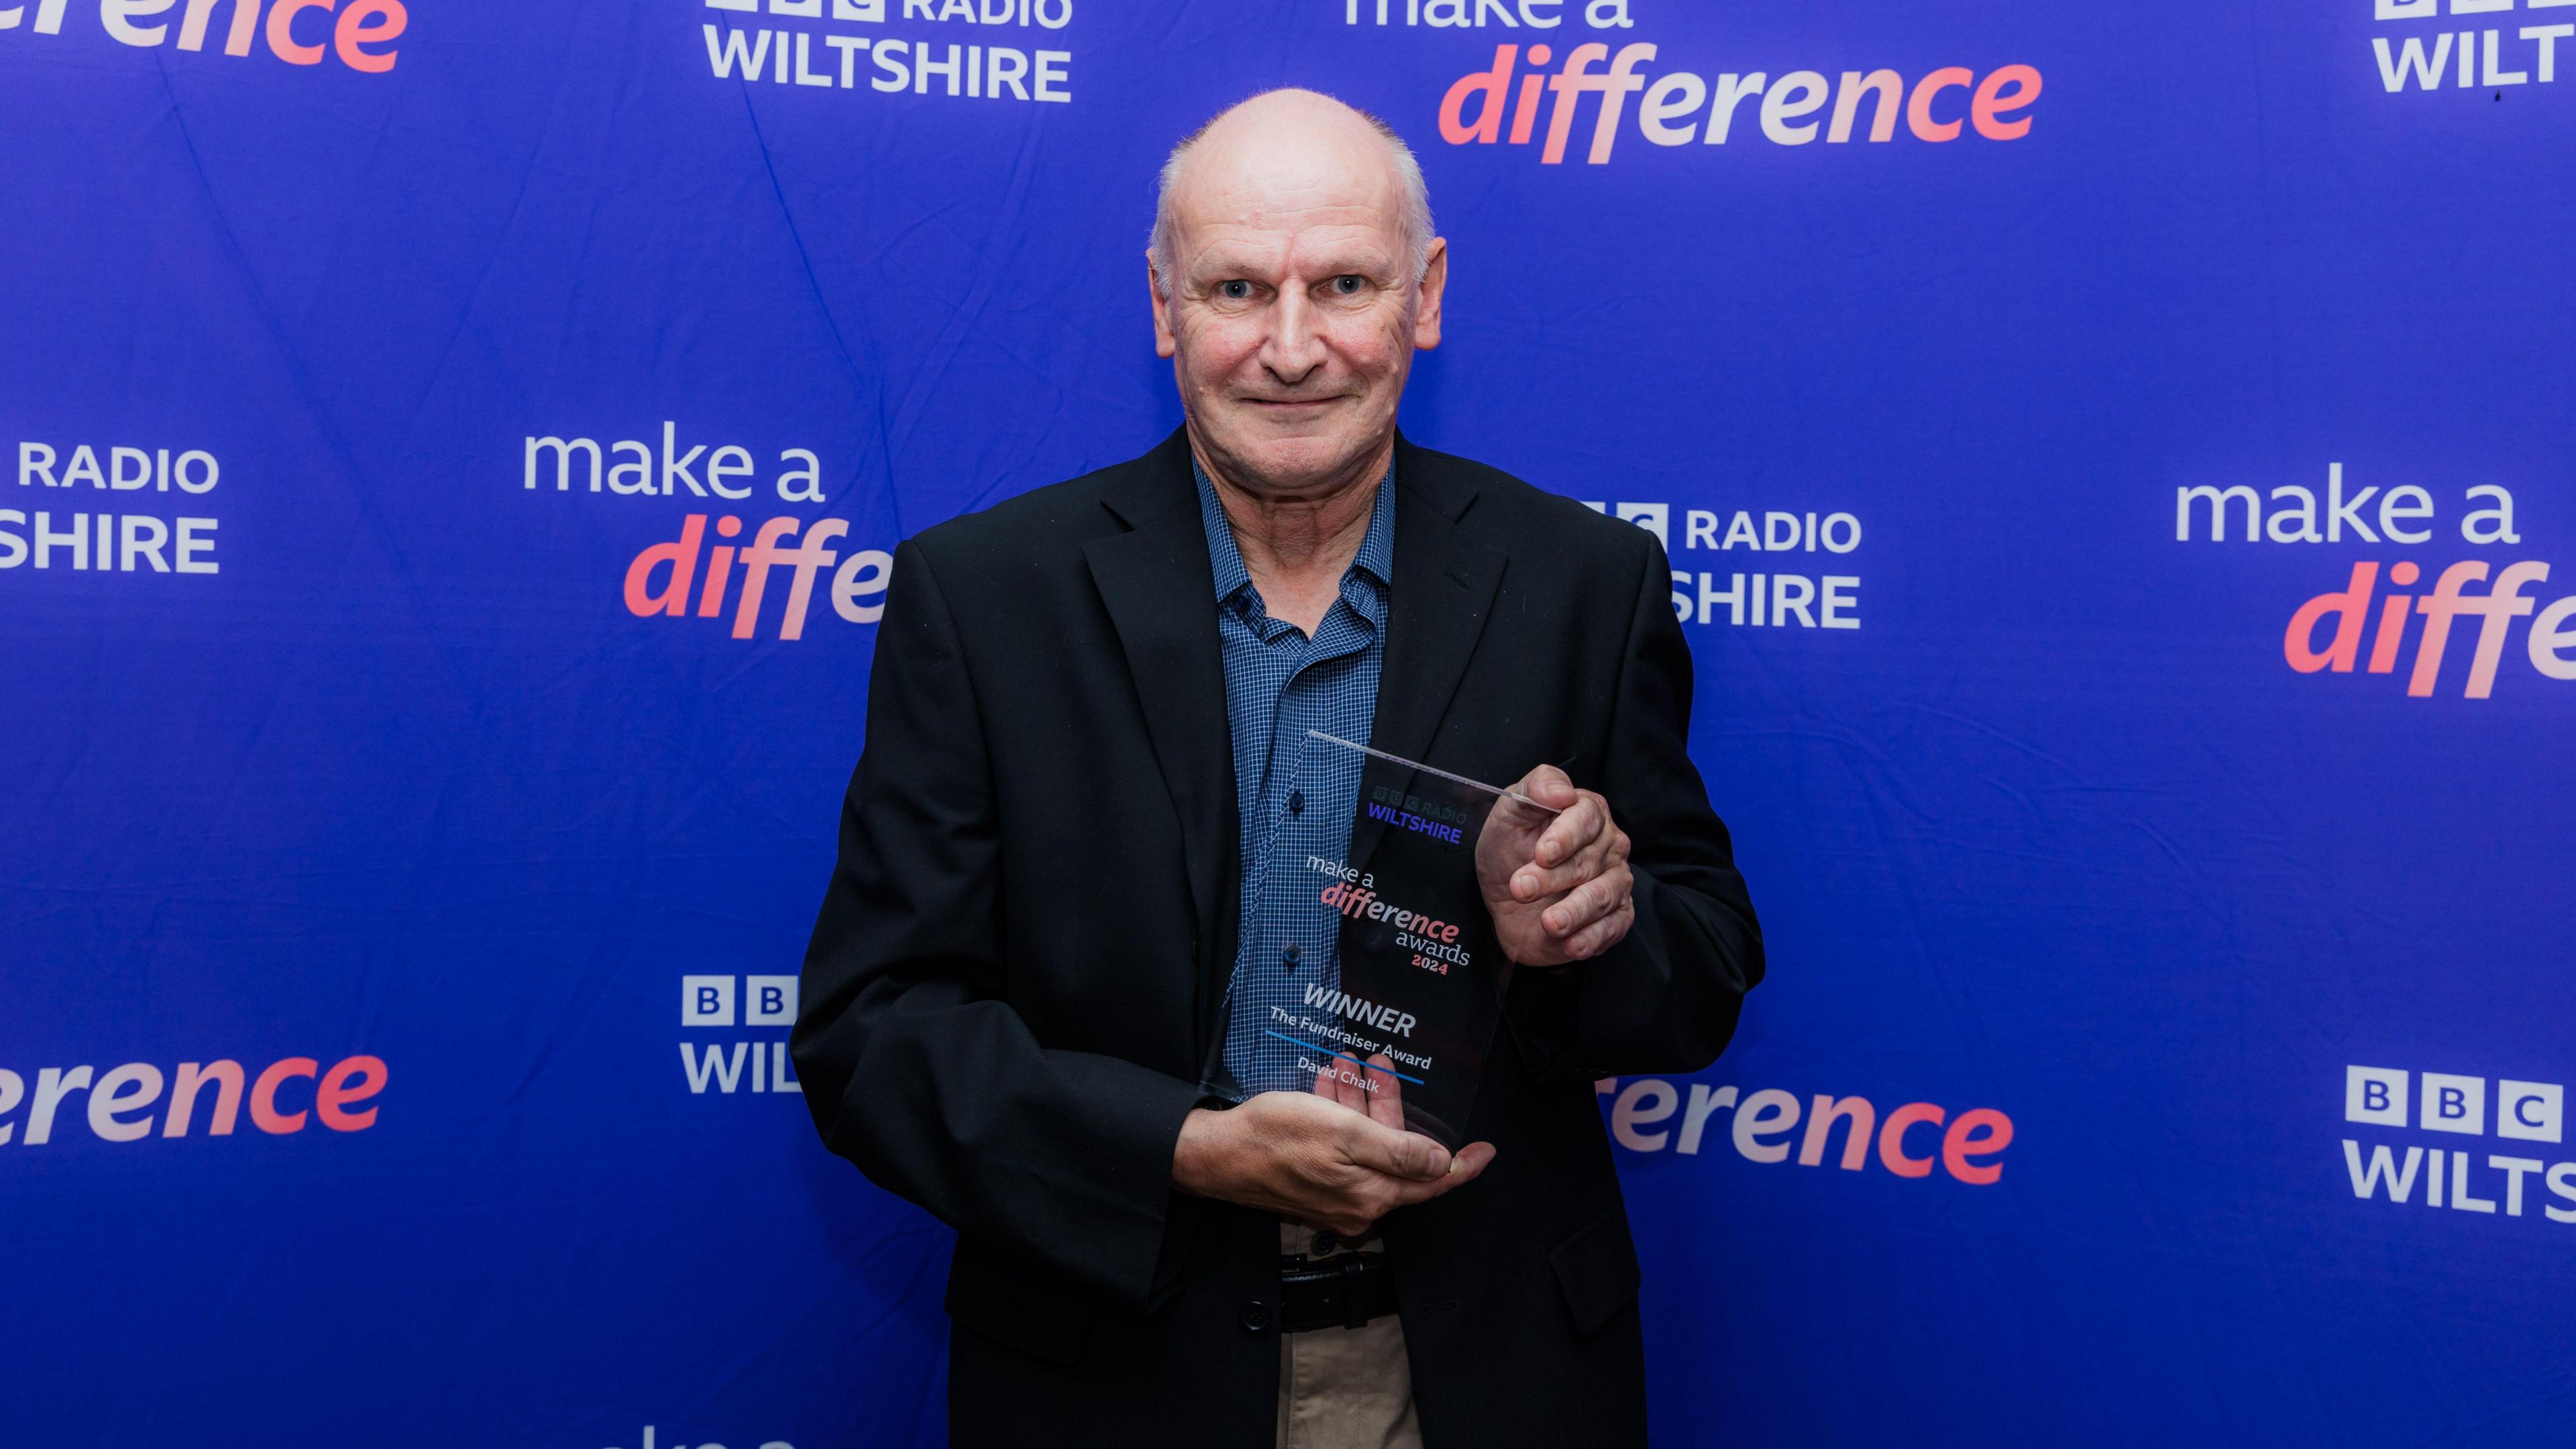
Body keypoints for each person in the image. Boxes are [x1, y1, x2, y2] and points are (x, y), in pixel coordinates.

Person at [793, 88, 1762, 1448]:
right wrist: (1185, 1151)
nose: (1293, 347)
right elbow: (871, 1035)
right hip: (1113, 1380)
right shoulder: (983, 598)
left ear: (1424, 297)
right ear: (1162, 305)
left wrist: (1585, 928)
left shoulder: (1586, 583)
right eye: (1240, 287)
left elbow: (1704, 971)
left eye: (1345, 285)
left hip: (1491, 1379)